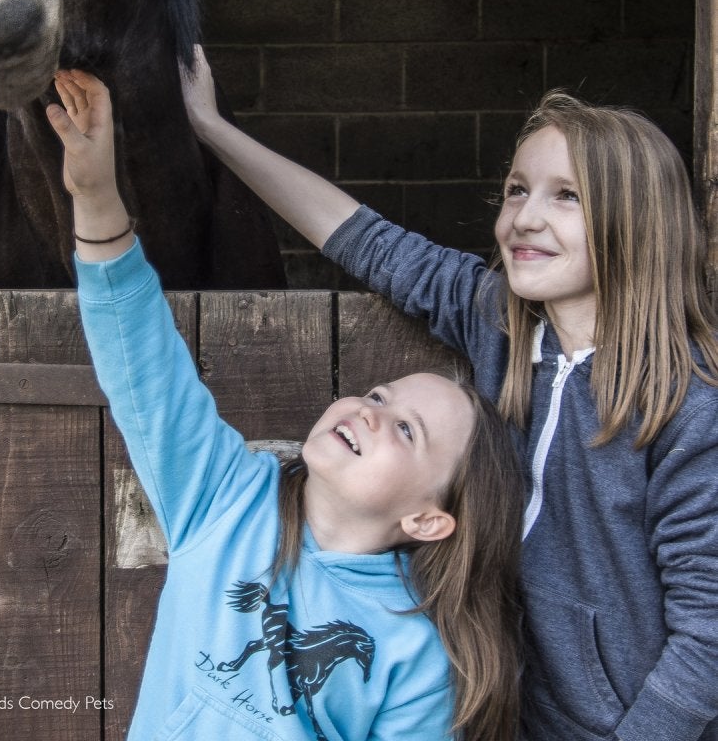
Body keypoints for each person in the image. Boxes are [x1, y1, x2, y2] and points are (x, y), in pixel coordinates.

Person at [179, 45, 718, 741]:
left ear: (640, 223)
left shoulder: (687, 405)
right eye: (518, 189)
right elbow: (357, 236)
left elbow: (708, 631)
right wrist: (212, 129)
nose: (524, 216)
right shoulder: (496, 319)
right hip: (488, 719)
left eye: (566, 196)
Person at [46, 68, 524, 741]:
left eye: (407, 430)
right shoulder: (224, 499)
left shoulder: (419, 656)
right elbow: (143, 370)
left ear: (427, 520)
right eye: (379, 396)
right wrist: (95, 195)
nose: (369, 410)